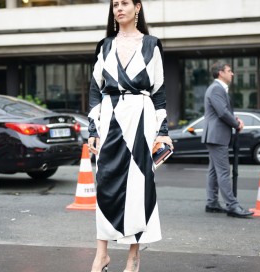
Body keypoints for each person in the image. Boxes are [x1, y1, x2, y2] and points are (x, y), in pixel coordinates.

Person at [87, 0, 173, 271]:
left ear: (138, 7)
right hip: (110, 119)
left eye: (124, 3)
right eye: (114, 4)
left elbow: (158, 92)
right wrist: (92, 128)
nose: (118, 8)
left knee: (138, 187)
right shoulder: (105, 45)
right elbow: (94, 89)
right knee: (105, 183)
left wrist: (163, 131)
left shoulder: (152, 45)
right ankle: (102, 253)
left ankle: (133, 256)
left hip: (142, 119)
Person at [201, 62, 254, 218]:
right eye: (229, 71)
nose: (232, 74)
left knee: (213, 171)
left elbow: (223, 111)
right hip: (217, 136)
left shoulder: (217, 89)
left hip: (215, 135)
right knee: (224, 172)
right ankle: (232, 205)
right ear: (220, 73)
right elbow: (223, 112)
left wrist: (234, 119)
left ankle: (212, 203)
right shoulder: (216, 88)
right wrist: (237, 123)